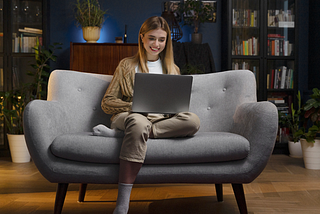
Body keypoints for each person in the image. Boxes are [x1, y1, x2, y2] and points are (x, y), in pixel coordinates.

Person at [94, 16, 200, 214]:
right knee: (138, 121)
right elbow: (107, 103)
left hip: (159, 119)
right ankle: (122, 203)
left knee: (192, 121)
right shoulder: (126, 65)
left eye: (161, 39)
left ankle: (124, 135)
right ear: (142, 38)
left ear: (166, 41)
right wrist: (134, 106)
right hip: (130, 116)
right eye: (151, 38)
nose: (156, 44)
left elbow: (177, 106)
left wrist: (172, 109)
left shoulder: (172, 69)